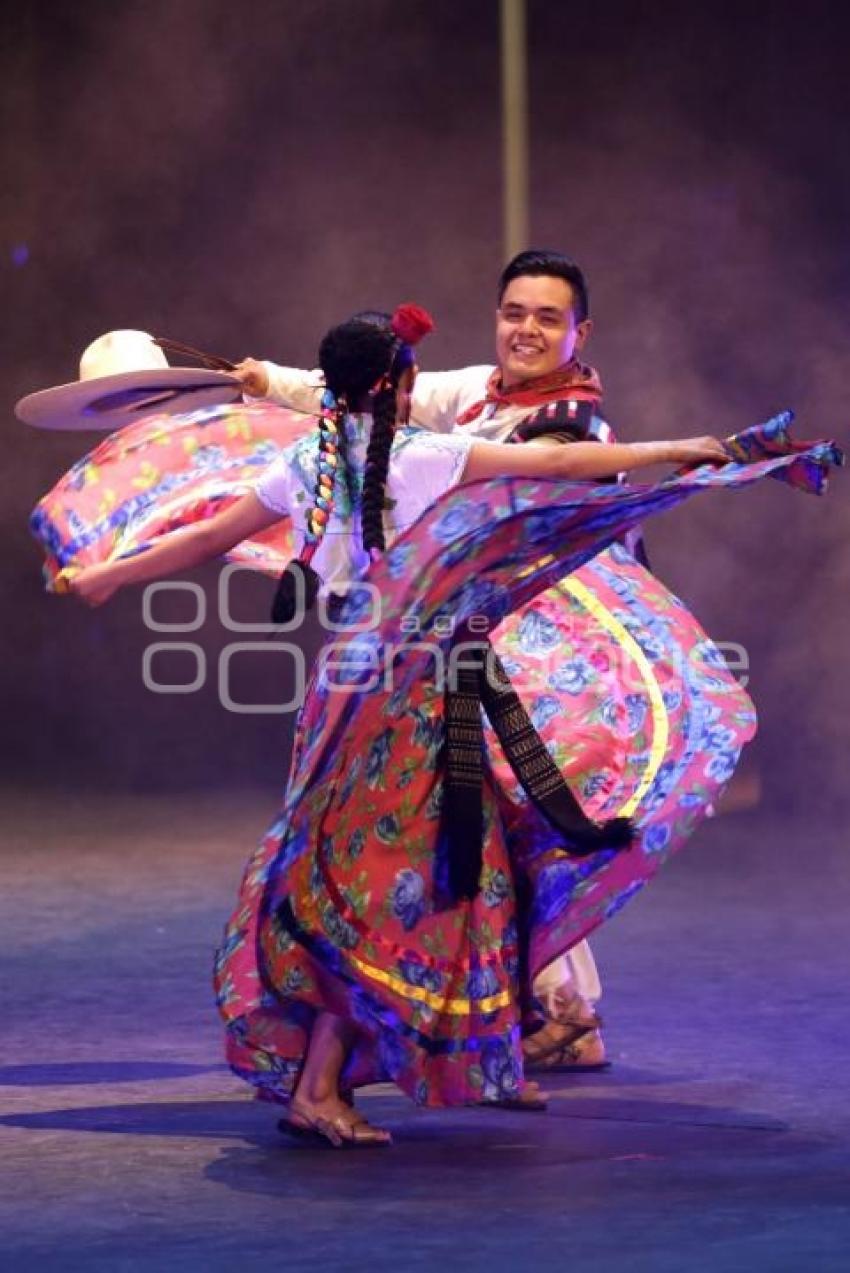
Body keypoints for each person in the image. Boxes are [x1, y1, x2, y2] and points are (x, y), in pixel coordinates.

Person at [62, 305, 762, 1146]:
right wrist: (683, 453)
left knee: (435, 872)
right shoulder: (429, 458)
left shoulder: (307, 464)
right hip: (421, 701)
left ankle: (468, 1056)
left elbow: (209, 535)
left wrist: (110, 572)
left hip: (349, 694)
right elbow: (571, 458)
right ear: (396, 387)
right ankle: (321, 1084)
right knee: (404, 891)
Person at [230, 250, 648, 1071]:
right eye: (514, 312)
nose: (526, 329)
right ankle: (562, 1006)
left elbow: (536, 502)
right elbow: (370, 391)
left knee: (506, 810)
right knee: (494, 813)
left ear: (580, 331)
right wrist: (266, 379)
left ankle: (556, 1003)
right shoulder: (481, 391)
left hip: (547, 642)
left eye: (547, 317)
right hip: (470, 636)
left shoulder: (573, 425)